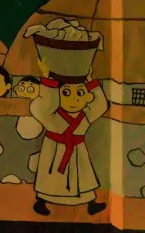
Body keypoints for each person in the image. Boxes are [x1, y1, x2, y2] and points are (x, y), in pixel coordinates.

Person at [30, 63, 108, 216]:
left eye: (80, 93)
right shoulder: (51, 116)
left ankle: (91, 203)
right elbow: (40, 107)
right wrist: (48, 80)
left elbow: (100, 105)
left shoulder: (85, 115)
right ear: (56, 96)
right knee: (50, 179)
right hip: (54, 150)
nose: (74, 99)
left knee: (83, 177)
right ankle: (42, 201)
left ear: (87, 96)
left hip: (77, 150)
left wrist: (91, 81)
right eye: (66, 93)